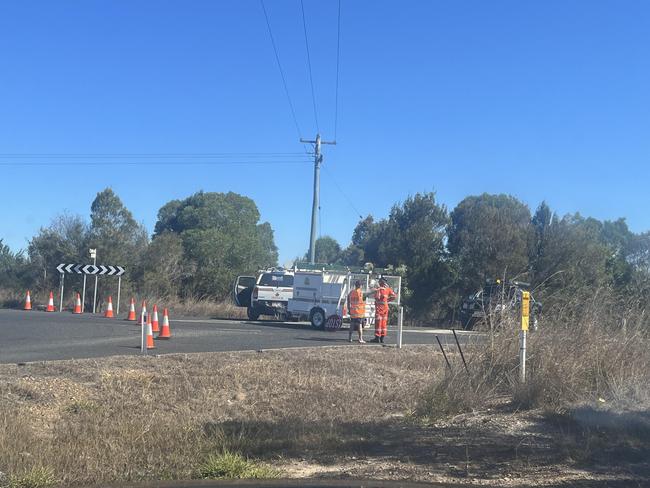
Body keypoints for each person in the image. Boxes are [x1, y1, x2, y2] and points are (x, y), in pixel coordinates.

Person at [370, 277, 396, 343]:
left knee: (378, 323)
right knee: (383, 323)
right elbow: (394, 296)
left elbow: (377, 298)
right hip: (385, 309)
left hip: (379, 309)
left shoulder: (378, 290)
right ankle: (382, 338)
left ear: (380, 282)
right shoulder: (388, 289)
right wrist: (387, 300)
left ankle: (377, 338)